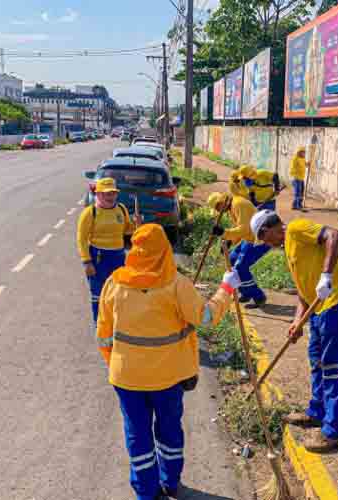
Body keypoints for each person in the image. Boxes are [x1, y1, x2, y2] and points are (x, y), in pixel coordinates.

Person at [96, 224, 240, 500]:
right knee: (169, 431)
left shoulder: (113, 285)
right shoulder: (176, 286)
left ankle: (147, 493)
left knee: (137, 436)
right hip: (168, 379)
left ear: (134, 251)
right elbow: (206, 318)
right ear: (165, 251)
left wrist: (117, 366)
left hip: (127, 380)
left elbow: (103, 337)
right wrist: (226, 289)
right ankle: (171, 483)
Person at [250, 210, 338, 452]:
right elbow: (303, 291)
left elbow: (335, 235)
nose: (267, 244)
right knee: (317, 361)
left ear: (267, 230)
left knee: (334, 367)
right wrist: (297, 321)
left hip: (337, 300)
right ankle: (317, 412)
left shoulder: (297, 229)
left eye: (265, 239)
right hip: (319, 308)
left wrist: (327, 276)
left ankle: (335, 432)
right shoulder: (288, 249)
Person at [77, 177, 140, 325]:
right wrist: (87, 262)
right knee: (98, 294)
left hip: (118, 256)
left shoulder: (121, 209)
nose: (110, 196)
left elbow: (128, 230)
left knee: (118, 292)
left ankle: (115, 323)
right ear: (97, 194)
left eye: (112, 193)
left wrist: (136, 225)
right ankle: (100, 325)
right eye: (105, 193)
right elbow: (81, 240)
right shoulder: (89, 213)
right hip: (98, 257)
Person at [208, 191, 270, 307]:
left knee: (241, 267)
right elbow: (239, 229)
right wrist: (229, 241)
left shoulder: (238, 204)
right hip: (249, 238)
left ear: (222, 201)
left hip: (260, 239)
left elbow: (244, 229)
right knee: (231, 260)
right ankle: (246, 292)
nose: (218, 210)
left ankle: (259, 297)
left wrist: (224, 233)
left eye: (218, 207)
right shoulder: (232, 207)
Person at [290, 147, 309, 211]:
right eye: (302, 152)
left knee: (301, 192)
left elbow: (304, 165)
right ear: (299, 152)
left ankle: (298, 204)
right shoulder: (295, 159)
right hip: (296, 178)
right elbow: (293, 167)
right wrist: (296, 172)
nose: (303, 154)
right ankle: (296, 205)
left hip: (301, 178)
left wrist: (307, 164)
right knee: (297, 192)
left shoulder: (303, 159)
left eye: (304, 152)